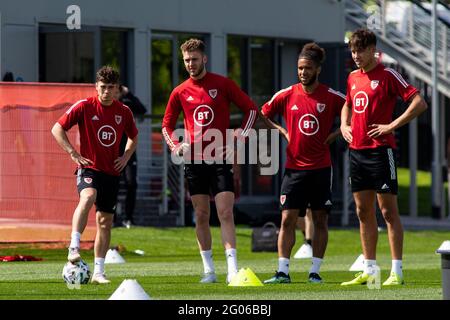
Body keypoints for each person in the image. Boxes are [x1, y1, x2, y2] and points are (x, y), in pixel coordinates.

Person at [162, 38, 258, 284]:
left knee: (225, 212)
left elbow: (251, 109)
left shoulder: (222, 84)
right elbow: (166, 125)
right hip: (194, 161)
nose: (191, 64)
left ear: (204, 58)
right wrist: (176, 145)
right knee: (201, 214)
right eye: (186, 60)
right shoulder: (180, 91)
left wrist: (238, 141)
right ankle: (209, 271)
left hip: (220, 159)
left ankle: (232, 270)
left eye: (194, 59)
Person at [340, 29, 427, 286]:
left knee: (388, 212)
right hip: (356, 152)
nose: (356, 56)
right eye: (353, 51)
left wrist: (392, 126)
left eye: (360, 50)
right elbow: (347, 103)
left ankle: (396, 272)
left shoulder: (388, 75)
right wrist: (344, 125)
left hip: (381, 152)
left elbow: (419, 102)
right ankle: (369, 270)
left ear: (372, 50)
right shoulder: (353, 77)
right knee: (362, 211)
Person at [260, 43, 345, 284]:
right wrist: (281, 131)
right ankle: (282, 272)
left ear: (318, 69)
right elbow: (262, 114)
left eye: (307, 68)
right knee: (287, 219)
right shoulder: (287, 94)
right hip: (294, 168)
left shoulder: (331, 96)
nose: (302, 72)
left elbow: (353, 111)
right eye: (299, 68)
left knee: (320, 220)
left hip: (321, 168)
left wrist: (337, 133)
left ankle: (315, 272)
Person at [51, 66, 139, 284]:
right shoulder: (84, 106)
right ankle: (73, 247)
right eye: (103, 87)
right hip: (89, 167)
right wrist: (73, 152)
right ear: (96, 87)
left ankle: (99, 272)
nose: (107, 92)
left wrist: (126, 157)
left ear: (118, 89)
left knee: (105, 221)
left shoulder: (124, 111)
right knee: (88, 197)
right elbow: (57, 129)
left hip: (112, 172)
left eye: (111, 88)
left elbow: (133, 137)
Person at [116, 85, 147, 228]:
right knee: (112, 184)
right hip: (112, 151)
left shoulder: (127, 103)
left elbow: (142, 109)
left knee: (131, 183)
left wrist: (129, 94)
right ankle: (112, 217)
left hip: (129, 151)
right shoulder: (107, 103)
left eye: (116, 89)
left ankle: (128, 218)